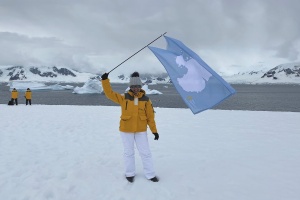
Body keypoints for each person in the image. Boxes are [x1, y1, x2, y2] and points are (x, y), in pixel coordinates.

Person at [101, 71, 159, 183]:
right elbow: (109, 94)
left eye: (137, 86)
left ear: (140, 86)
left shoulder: (146, 100)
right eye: (133, 86)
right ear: (130, 86)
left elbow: (150, 117)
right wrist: (105, 81)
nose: (136, 88)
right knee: (129, 152)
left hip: (140, 130)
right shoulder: (124, 97)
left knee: (145, 152)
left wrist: (154, 131)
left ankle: (150, 174)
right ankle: (129, 173)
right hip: (126, 129)